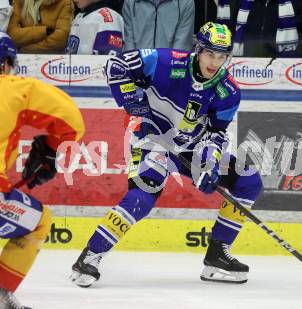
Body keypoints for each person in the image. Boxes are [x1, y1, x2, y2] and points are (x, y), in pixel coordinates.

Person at [70, 22, 262, 287]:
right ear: (198, 49)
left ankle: (217, 256)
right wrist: (132, 102)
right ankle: (90, 256)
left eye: (221, 56)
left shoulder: (227, 91)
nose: (215, 62)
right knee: (143, 195)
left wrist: (210, 164)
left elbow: (216, 134)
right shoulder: (164, 61)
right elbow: (116, 66)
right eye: (210, 54)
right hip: (150, 141)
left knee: (248, 180)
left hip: (190, 147)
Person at [0, 32, 85, 309]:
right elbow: (71, 121)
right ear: (7, 64)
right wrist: (50, 149)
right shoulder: (13, 87)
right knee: (39, 221)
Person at [122, 0, 195, 51]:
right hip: (137, 68)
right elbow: (129, 45)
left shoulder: (186, 3)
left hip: (169, 68)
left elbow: (181, 48)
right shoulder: (130, 2)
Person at [7, 0, 73, 54]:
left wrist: (27, 49)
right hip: (25, 62)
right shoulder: (20, 2)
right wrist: (43, 31)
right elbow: (11, 35)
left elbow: (60, 40)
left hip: (54, 62)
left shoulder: (64, 2)